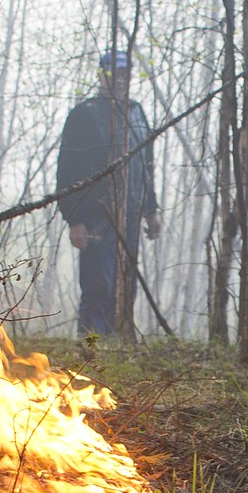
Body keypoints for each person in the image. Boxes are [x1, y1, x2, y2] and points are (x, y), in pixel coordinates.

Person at [56, 49, 160, 336]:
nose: (119, 81)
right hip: (95, 216)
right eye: (113, 74)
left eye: (125, 75)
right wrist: (74, 219)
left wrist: (151, 210)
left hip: (132, 216)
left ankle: (118, 345)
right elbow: (67, 171)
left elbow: (146, 166)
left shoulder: (136, 113)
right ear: (101, 75)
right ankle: (91, 349)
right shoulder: (84, 115)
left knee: (126, 284)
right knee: (97, 285)